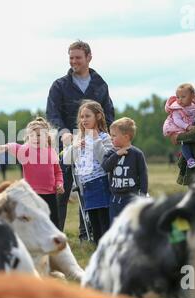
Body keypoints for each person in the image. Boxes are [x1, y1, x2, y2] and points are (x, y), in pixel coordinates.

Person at [46, 39, 115, 236]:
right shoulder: (59, 86)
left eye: (78, 57)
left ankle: (88, 234)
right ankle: (55, 236)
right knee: (61, 191)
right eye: (71, 58)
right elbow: (52, 113)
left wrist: (103, 137)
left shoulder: (100, 84)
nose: (74, 61)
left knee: (89, 188)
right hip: (67, 145)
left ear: (88, 58)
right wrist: (64, 132)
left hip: (94, 144)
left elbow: (108, 113)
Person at [0, 117, 64, 228]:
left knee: (53, 222)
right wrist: (5, 147)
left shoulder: (51, 151)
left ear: (46, 136)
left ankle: (55, 243)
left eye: (39, 135)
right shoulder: (26, 150)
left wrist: (59, 183)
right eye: (32, 135)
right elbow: (15, 146)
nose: (35, 138)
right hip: (33, 194)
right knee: (35, 223)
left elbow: (58, 171)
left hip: (50, 194)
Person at [62, 100, 112, 244]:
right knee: (93, 220)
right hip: (86, 185)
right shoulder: (79, 139)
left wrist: (95, 140)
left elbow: (106, 160)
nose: (84, 120)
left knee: (104, 220)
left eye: (87, 116)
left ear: (98, 116)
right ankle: (96, 247)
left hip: (101, 182)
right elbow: (67, 160)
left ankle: (107, 247)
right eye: (82, 117)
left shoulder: (104, 137)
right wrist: (74, 146)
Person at [101, 117, 148, 224]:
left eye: (114, 135)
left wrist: (143, 195)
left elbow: (143, 175)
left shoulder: (137, 154)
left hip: (131, 198)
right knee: (115, 225)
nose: (111, 138)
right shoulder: (111, 153)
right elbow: (105, 167)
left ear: (126, 137)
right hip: (114, 198)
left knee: (130, 224)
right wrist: (117, 155)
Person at [163, 83, 195, 169]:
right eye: (178, 97)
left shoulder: (194, 106)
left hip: (189, 126)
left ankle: (186, 156)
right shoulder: (177, 108)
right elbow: (177, 120)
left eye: (183, 97)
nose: (179, 100)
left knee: (190, 142)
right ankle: (189, 160)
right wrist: (187, 127)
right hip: (178, 127)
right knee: (184, 142)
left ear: (192, 96)